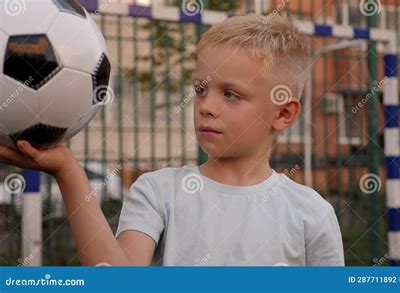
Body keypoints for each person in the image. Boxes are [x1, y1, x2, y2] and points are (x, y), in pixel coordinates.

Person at [0, 14, 344, 266]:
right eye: (200, 89)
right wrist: (67, 171)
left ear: (283, 114)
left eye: (231, 94)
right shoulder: (158, 191)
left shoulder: (311, 214)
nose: (206, 107)